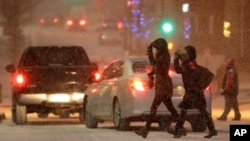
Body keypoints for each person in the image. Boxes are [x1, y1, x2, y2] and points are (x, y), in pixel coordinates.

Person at [168, 45, 217, 138]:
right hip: (194, 93)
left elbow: (179, 70)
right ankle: (212, 129)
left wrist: (202, 86)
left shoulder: (190, 65)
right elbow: (179, 70)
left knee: (187, 111)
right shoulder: (190, 64)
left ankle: (177, 130)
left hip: (193, 93)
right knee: (199, 112)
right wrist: (176, 59)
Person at [135, 38, 179, 138]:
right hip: (161, 85)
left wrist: (150, 54)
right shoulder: (161, 56)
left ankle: (146, 129)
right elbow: (154, 68)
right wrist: (150, 75)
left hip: (164, 85)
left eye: (157, 48)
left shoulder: (165, 56)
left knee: (154, 108)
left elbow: (156, 65)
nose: (156, 50)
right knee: (170, 108)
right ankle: (180, 126)